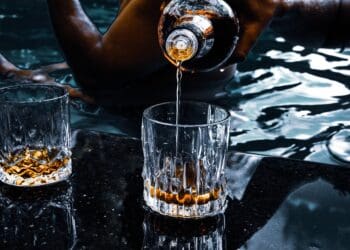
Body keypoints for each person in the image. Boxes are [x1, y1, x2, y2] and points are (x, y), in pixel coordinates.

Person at [0, 0, 349, 110]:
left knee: (80, 94)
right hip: (208, 98)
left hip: (146, 122)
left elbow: (97, 75)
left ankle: (17, 78)